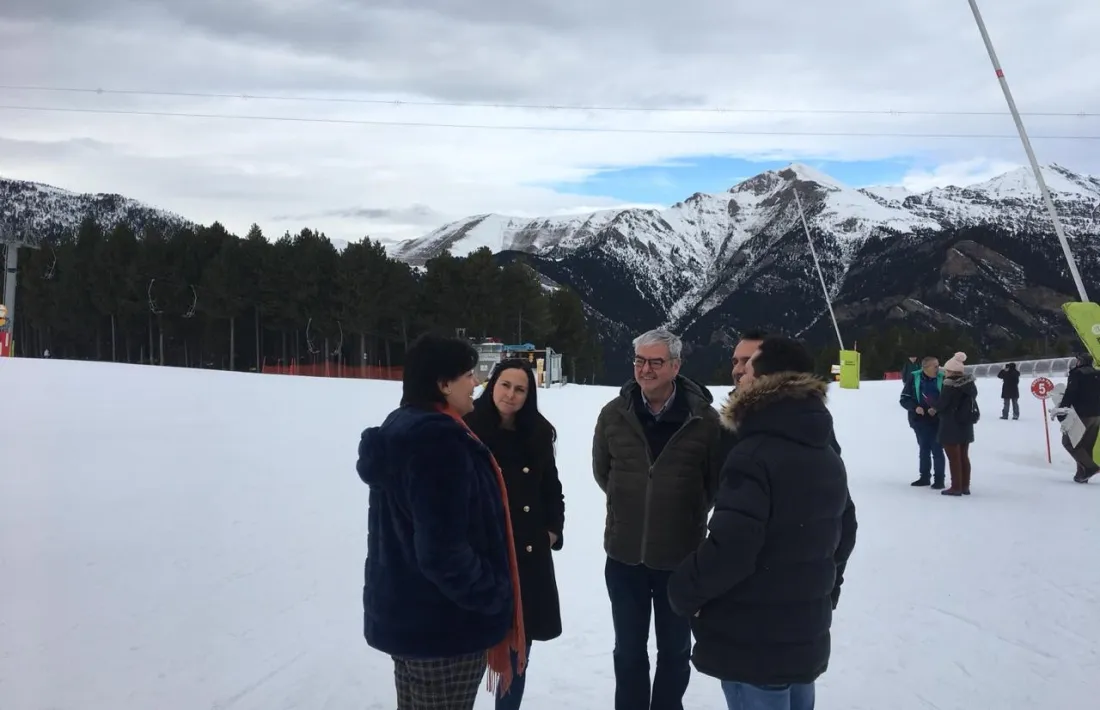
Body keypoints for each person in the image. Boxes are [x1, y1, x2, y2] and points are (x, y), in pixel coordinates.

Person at [667, 336, 857, 710]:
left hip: (753, 639)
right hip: (801, 635)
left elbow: (732, 548)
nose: (740, 375)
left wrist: (684, 589)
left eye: (749, 368)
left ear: (766, 382)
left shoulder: (753, 455)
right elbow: (844, 531)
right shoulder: (824, 452)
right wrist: (822, 594)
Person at [356, 334, 526, 710]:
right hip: (443, 629)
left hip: (408, 618)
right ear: (443, 384)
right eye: (468, 374)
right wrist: (491, 594)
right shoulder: (439, 443)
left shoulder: (404, 426)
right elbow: (442, 551)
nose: (476, 382)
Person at [592, 327, 724, 710]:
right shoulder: (614, 414)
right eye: (639, 361)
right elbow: (603, 472)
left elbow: (714, 483)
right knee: (628, 650)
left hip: (679, 559)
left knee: (676, 650)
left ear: (676, 366)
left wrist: (683, 513)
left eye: (655, 362)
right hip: (624, 557)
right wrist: (630, 506)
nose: (645, 369)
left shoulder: (704, 420)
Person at [464, 359, 565, 710]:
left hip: (526, 559)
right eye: (505, 385)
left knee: (517, 653)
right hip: (481, 558)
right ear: (492, 385)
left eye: (520, 389)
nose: (511, 394)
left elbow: (551, 489)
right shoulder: (467, 428)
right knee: (469, 653)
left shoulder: (538, 432)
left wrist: (551, 532)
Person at [899, 356, 947, 489]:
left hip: (938, 420)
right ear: (925, 367)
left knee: (937, 449)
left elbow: (948, 399)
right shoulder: (914, 378)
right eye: (935, 366)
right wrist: (915, 408)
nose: (938, 368)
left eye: (938, 365)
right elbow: (904, 398)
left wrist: (937, 408)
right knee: (924, 449)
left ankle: (939, 479)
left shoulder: (943, 378)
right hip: (919, 420)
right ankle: (924, 477)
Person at [937, 352, 979, 496]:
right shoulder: (970, 385)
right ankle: (965, 486)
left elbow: (942, 405)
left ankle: (956, 487)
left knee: (953, 458)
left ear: (951, 371)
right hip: (965, 424)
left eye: (946, 370)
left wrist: (933, 403)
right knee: (963, 457)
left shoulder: (950, 386)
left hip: (951, 425)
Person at [1053, 354, 1100, 483]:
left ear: (1081, 362)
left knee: (1069, 442)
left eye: (1078, 360)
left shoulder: (1077, 374)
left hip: (1081, 415)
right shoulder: (1098, 374)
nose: (1076, 362)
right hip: (1096, 415)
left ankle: (1090, 468)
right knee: (1086, 446)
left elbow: (1070, 393)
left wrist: (1062, 411)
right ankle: (1082, 475)